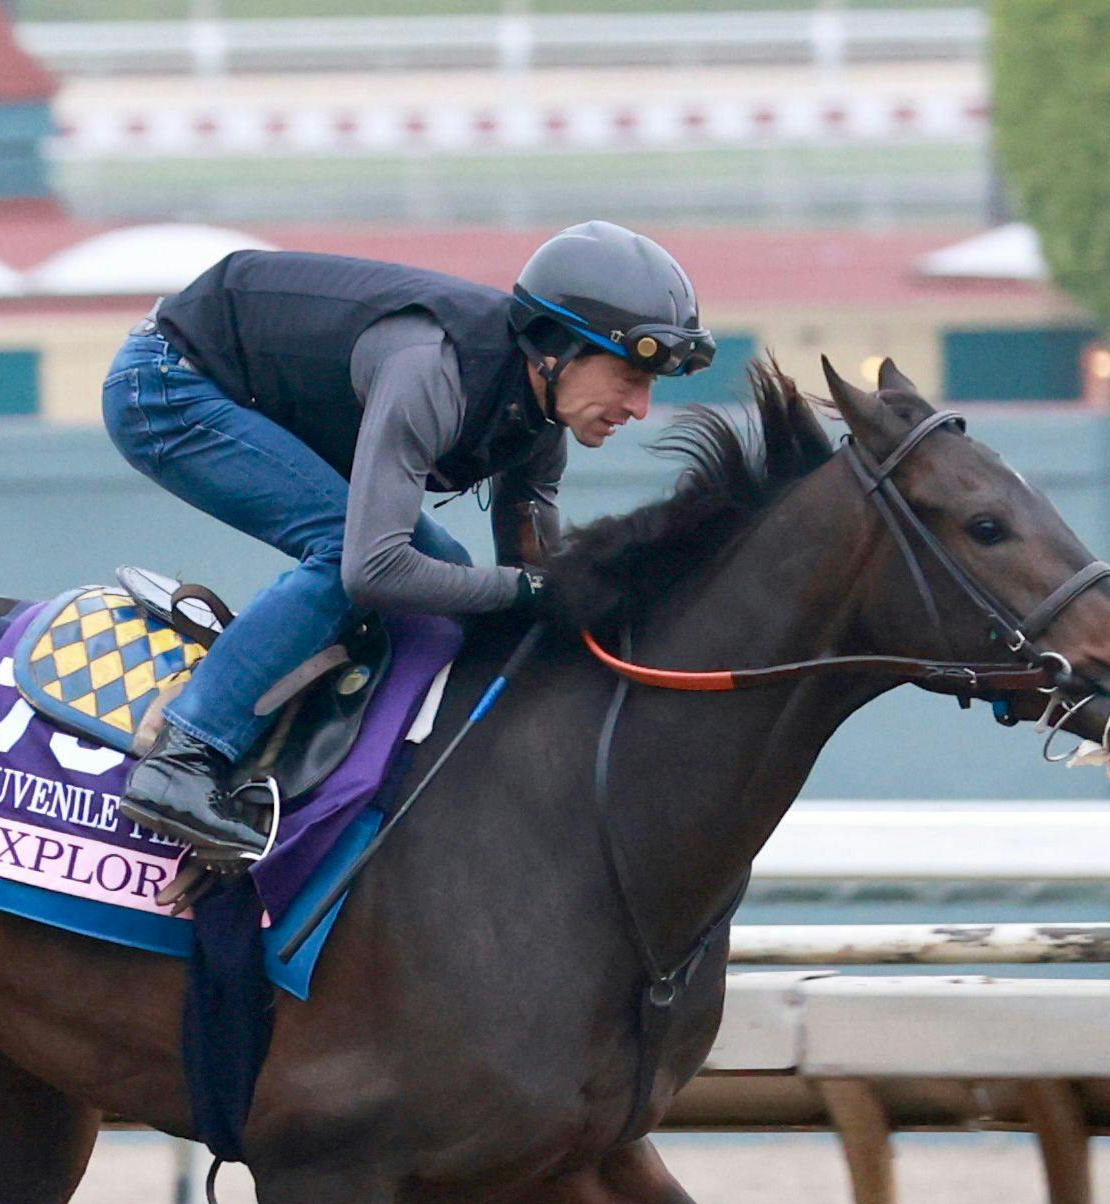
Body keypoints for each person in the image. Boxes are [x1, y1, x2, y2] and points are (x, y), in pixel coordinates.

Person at [103, 220, 716, 862]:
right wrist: (532, 588)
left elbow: (535, 587)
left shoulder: (539, 424)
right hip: (167, 386)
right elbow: (375, 572)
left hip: (242, 390)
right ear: (554, 347)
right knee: (348, 551)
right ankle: (183, 755)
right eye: (629, 376)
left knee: (444, 573)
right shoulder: (432, 372)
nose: (641, 407)